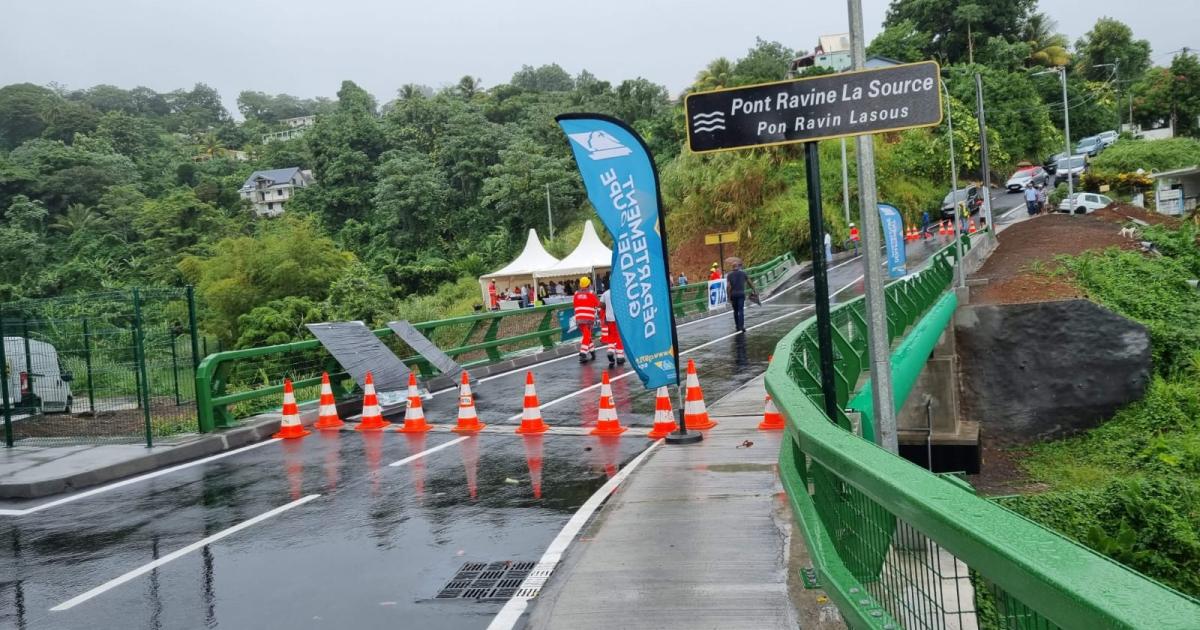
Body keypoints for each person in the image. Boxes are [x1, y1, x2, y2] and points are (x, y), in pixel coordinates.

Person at [726, 260, 757, 333]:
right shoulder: (743, 273)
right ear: (738, 267)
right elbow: (749, 282)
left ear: (732, 267)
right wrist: (754, 289)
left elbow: (728, 286)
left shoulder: (729, 275)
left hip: (733, 295)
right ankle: (742, 326)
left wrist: (728, 296)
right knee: (741, 310)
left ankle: (737, 326)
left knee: (735, 311)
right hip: (741, 294)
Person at [573, 276, 599, 363]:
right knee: (587, 336)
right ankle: (583, 353)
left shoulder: (576, 294)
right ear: (589, 285)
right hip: (588, 319)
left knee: (586, 335)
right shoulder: (591, 293)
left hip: (579, 318)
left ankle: (592, 352)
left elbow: (574, 304)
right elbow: (597, 304)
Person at [600, 286, 625, 366]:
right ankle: (620, 357)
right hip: (619, 318)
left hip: (609, 318)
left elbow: (601, 304)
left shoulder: (606, 293)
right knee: (619, 337)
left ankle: (610, 350)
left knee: (611, 336)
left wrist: (607, 306)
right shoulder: (620, 292)